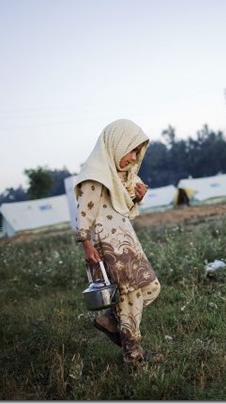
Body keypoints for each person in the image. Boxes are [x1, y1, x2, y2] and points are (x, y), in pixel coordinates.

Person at [74, 118, 162, 364]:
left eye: (137, 151)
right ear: (117, 143)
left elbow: (121, 208)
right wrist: (85, 243)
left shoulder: (117, 176)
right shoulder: (95, 175)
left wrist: (136, 198)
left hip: (126, 240)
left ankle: (111, 320)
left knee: (150, 288)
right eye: (131, 149)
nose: (134, 157)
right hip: (108, 245)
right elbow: (84, 211)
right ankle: (133, 354)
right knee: (129, 296)